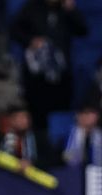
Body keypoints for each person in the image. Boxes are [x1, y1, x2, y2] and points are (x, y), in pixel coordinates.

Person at [12, 0, 88, 130]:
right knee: (37, 117)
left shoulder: (66, 11)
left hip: (61, 76)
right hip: (36, 77)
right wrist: (31, 40)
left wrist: (71, 10)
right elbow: (15, 31)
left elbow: (82, 30)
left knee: (61, 115)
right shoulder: (31, 8)